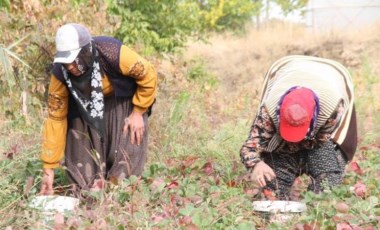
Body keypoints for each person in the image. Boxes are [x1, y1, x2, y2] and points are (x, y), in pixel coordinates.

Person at [39, 23, 157, 194]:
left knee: (126, 157)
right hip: (84, 108)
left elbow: (148, 74)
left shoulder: (112, 52)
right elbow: (56, 118)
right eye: (65, 61)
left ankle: (120, 189)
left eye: (74, 59)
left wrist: (138, 112)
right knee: (83, 182)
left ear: (86, 51)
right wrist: (48, 169)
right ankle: (91, 192)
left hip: (120, 102)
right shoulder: (60, 73)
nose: (70, 66)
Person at [240, 55, 357, 200]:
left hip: (334, 73)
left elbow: (320, 142)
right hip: (286, 67)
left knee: (328, 181)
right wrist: (256, 164)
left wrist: (306, 160)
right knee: (272, 185)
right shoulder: (268, 111)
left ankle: (318, 206)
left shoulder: (333, 108)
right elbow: (249, 147)